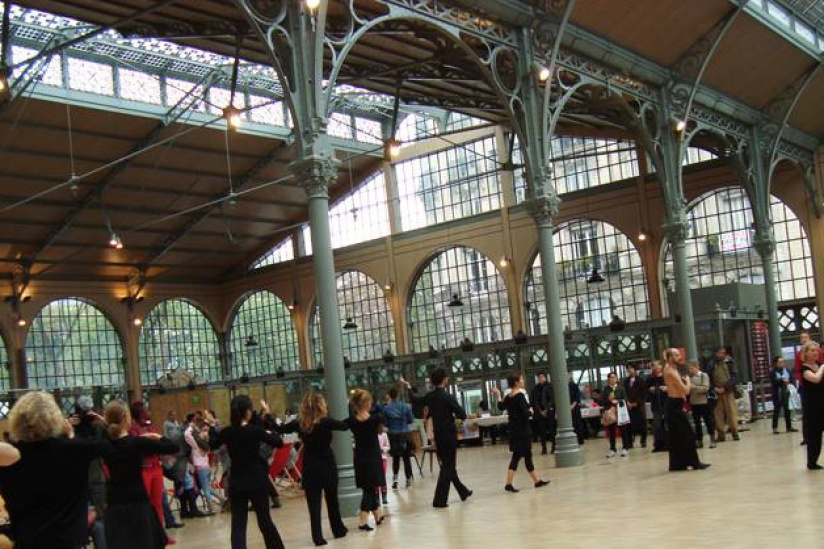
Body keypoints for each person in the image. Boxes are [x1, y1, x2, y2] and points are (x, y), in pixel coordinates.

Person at [0, 391, 109, 549]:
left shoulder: (10, 457)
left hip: (28, 541)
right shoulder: (75, 450)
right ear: (55, 418)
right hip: (67, 541)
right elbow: (116, 442)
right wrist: (72, 434)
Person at [206, 396, 284, 549]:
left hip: (237, 481)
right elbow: (278, 442)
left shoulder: (227, 432)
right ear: (247, 411)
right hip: (256, 480)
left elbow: (212, 444)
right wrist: (268, 420)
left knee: (238, 525)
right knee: (265, 521)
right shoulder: (255, 430)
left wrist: (212, 426)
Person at [103, 399, 180, 549]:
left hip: (115, 505)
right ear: (126, 418)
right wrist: (158, 437)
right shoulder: (136, 442)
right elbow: (173, 447)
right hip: (137, 503)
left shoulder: (104, 444)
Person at [281, 392, 348, 547]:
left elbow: (280, 428)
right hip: (327, 464)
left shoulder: (300, 424)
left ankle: (317, 536)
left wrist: (265, 416)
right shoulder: (326, 422)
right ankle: (338, 529)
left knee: (314, 505)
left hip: (310, 466)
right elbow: (344, 426)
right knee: (332, 500)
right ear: (321, 406)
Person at [402, 368, 473, 508]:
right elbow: (462, 415)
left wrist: (408, 387)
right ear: (444, 380)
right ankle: (439, 500)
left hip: (438, 436)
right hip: (449, 435)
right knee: (448, 466)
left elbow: (415, 399)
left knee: (448, 465)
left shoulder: (430, 396)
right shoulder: (448, 397)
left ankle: (463, 491)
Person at [491, 373, 550, 492]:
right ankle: (508, 484)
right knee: (517, 457)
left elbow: (501, 406)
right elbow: (525, 413)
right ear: (516, 382)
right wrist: (531, 411)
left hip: (514, 431)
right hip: (523, 431)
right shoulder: (520, 396)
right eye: (521, 379)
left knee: (527, 456)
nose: (523, 381)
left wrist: (498, 395)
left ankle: (536, 481)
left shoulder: (509, 397)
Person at [662, 349, 710, 472]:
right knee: (688, 434)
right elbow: (686, 390)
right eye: (676, 355)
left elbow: (675, 389)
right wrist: (688, 381)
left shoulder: (670, 368)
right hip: (674, 405)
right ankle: (694, 462)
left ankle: (678, 464)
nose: (679, 357)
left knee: (677, 436)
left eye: (679, 354)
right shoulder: (671, 371)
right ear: (670, 358)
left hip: (674, 403)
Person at [348, 389, 386, 531]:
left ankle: (377, 515)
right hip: (373, 456)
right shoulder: (376, 419)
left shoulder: (351, 421)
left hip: (360, 457)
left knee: (369, 487)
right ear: (365, 403)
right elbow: (380, 431)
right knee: (369, 489)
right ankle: (362, 520)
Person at [381, 387, 415, 489]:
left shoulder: (386, 409)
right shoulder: (406, 406)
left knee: (395, 459)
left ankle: (395, 481)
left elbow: (385, 423)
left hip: (393, 435)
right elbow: (411, 420)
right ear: (398, 394)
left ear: (389, 396)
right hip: (405, 434)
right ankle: (408, 481)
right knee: (406, 458)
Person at [707, 346, 740, 442]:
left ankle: (735, 432)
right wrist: (713, 388)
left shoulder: (730, 362)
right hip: (716, 392)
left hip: (728, 391)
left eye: (722, 353)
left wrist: (725, 387)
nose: (720, 355)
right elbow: (708, 377)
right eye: (719, 353)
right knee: (718, 414)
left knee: (732, 412)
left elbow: (734, 377)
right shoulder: (711, 364)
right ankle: (721, 435)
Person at [800, 344, 824, 470]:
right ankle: (812, 462)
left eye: (816, 351)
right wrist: (823, 367)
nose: (815, 353)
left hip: (823, 404)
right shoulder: (804, 368)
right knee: (815, 436)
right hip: (813, 407)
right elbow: (816, 379)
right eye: (812, 350)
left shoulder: (820, 365)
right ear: (806, 353)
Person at [688, 362, 716, 449]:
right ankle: (699, 440)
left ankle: (712, 439)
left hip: (703, 402)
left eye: (692, 368)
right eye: (690, 368)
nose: (690, 370)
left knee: (708, 421)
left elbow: (705, 388)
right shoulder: (689, 377)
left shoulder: (704, 375)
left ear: (697, 367)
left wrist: (694, 388)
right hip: (693, 402)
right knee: (697, 423)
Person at [602, 372, 630, 458]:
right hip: (610, 411)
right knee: (611, 431)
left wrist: (618, 401)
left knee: (623, 430)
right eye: (611, 377)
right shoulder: (605, 389)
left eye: (615, 377)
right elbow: (602, 401)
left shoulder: (621, 388)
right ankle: (612, 449)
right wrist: (609, 400)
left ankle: (625, 447)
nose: (613, 379)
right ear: (608, 379)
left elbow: (625, 399)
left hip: (620, 411)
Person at [530, 371, 555, 455]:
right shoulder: (535, 389)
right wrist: (540, 411)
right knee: (542, 431)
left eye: (541, 377)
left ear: (545, 377)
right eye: (539, 377)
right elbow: (534, 401)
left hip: (549, 411)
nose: (540, 379)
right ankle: (544, 448)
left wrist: (546, 409)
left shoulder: (550, 387)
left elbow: (552, 399)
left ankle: (553, 447)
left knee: (552, 430)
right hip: (539, 413)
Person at [770, 356, 797, 434]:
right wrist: (782, 380)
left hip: (786, 392)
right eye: (780, 362)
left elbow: (792, 380)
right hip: (777, 393)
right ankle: (775, 428)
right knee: (776, 410)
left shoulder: (787, 370)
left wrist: (789, 383)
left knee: (787, 410)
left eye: (782, 362)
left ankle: (789, 427)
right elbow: (774, 382)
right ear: (776, 363)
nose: (782, 363)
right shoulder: (773, 372)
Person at [623, 365, 647, 449]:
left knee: (642, 423)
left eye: (631, 368)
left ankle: (643, 441)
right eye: (628, 368)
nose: (629, 370)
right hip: (629, 405)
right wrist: (627, 402)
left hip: (639, 405)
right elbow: (624, 392)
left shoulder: (641, 380)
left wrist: (637, 402)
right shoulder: (625, 381)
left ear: (635, 369)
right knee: (629, 425)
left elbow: (643, 393)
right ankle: (630, 442)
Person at [646, 362, 668, 452]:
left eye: (657, 365)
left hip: (666, 403)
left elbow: (672, 387)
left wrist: (666, 388)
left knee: (666, 424)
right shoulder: (650, 378)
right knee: (657, 426)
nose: (656, 368)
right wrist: (650, 389)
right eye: (654, 366)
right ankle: (658, 445)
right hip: (655, 404)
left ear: (661, 366)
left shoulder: (666, 376)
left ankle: (668, 444)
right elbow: (646, 389)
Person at [569, 380, 585, 444]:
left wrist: (572, 405)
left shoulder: (574, 386)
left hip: (575, 407)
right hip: (567, 408)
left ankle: (579, 440)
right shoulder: (561, 386)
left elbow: (577, 397)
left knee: (577, 424)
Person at [378, 426, 390, 505]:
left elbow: (388, 446)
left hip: (383, 458)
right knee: (375, 478)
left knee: (383, 477)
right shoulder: (370, 434)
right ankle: (377, 498)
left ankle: (384, 496)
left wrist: (383, 449)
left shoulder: (384, 434)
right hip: (374, 459)